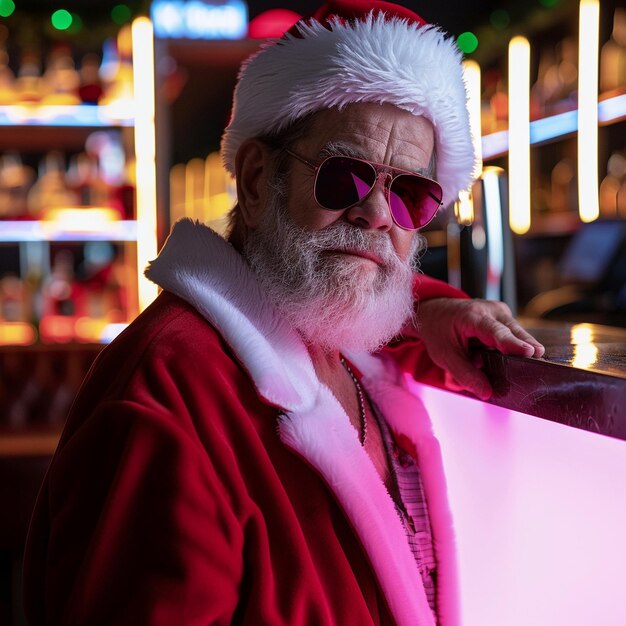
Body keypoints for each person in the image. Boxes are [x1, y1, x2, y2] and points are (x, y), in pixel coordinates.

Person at [23, 1, 544, 624]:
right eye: (344, 178)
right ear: (255, 178)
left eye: (409, 192)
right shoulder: (165, 394)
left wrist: (433, 311)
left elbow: (379, 304)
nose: (377, 214)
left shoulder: (338, 340)